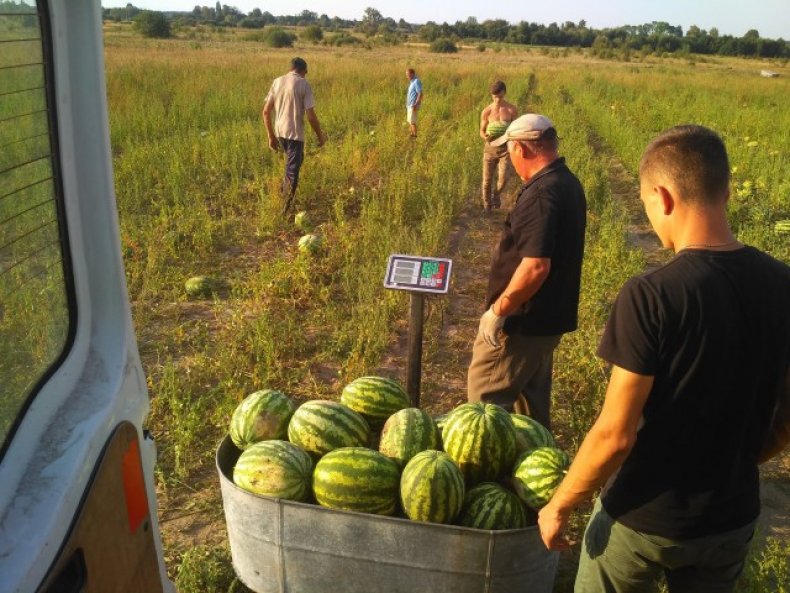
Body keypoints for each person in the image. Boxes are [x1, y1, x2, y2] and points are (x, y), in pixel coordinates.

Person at [538, 125, 790, 593]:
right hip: (731, 520)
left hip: (642, 520)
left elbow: (615, 435)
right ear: (727, 191)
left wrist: (560, 505)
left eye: (647, 205)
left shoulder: (651, 295)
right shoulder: (783, 283)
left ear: (664, 196)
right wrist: (742, 460)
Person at [467, 114, 587, 430]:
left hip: (521, 324)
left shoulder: (541, 194)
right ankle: (532, 473)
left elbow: (535, 265)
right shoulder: (567, 182)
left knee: (482, 409)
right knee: (529, 415)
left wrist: (499, 311)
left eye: (509, 151)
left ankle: (483, 474)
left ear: (522, 149)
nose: (511, 159)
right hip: (545, 322)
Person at [262, 57, 326, 212]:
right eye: (306, 73)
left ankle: (283, 192)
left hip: (280, 132)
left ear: (290, 69)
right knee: (293, 173)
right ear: (304, 70)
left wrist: (271, 136)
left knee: (294, 163)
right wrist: (320, 136)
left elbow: (265, 111)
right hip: (295, 134)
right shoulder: (304, 84)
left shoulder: (277, 81)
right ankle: (284, 210)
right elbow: (311, 116)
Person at [479, 80, 518, 213]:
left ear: (504, 94)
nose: (497, 99)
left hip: (505, 149)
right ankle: (487, 206)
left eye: (500, 96)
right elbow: (481, 131)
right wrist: (485, 137)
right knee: (486, 180)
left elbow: (515, 129)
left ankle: (496, 195)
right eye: (495, 97)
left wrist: (510, 137)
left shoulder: (511, 109)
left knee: (503, 179)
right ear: (491, 95)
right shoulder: (487, 111)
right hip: (490, 149)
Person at [405, 68, 423, 138]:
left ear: (412, 74)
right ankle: (411, 134)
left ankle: (415, 136)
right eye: (406, 75)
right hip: (410, 105)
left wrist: (416, 104)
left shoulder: (416, 81)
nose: (407, 76)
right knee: (409, 121)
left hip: (413, 105)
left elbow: (420, 93)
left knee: (412, 122)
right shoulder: (412, 81)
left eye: (408, 75)